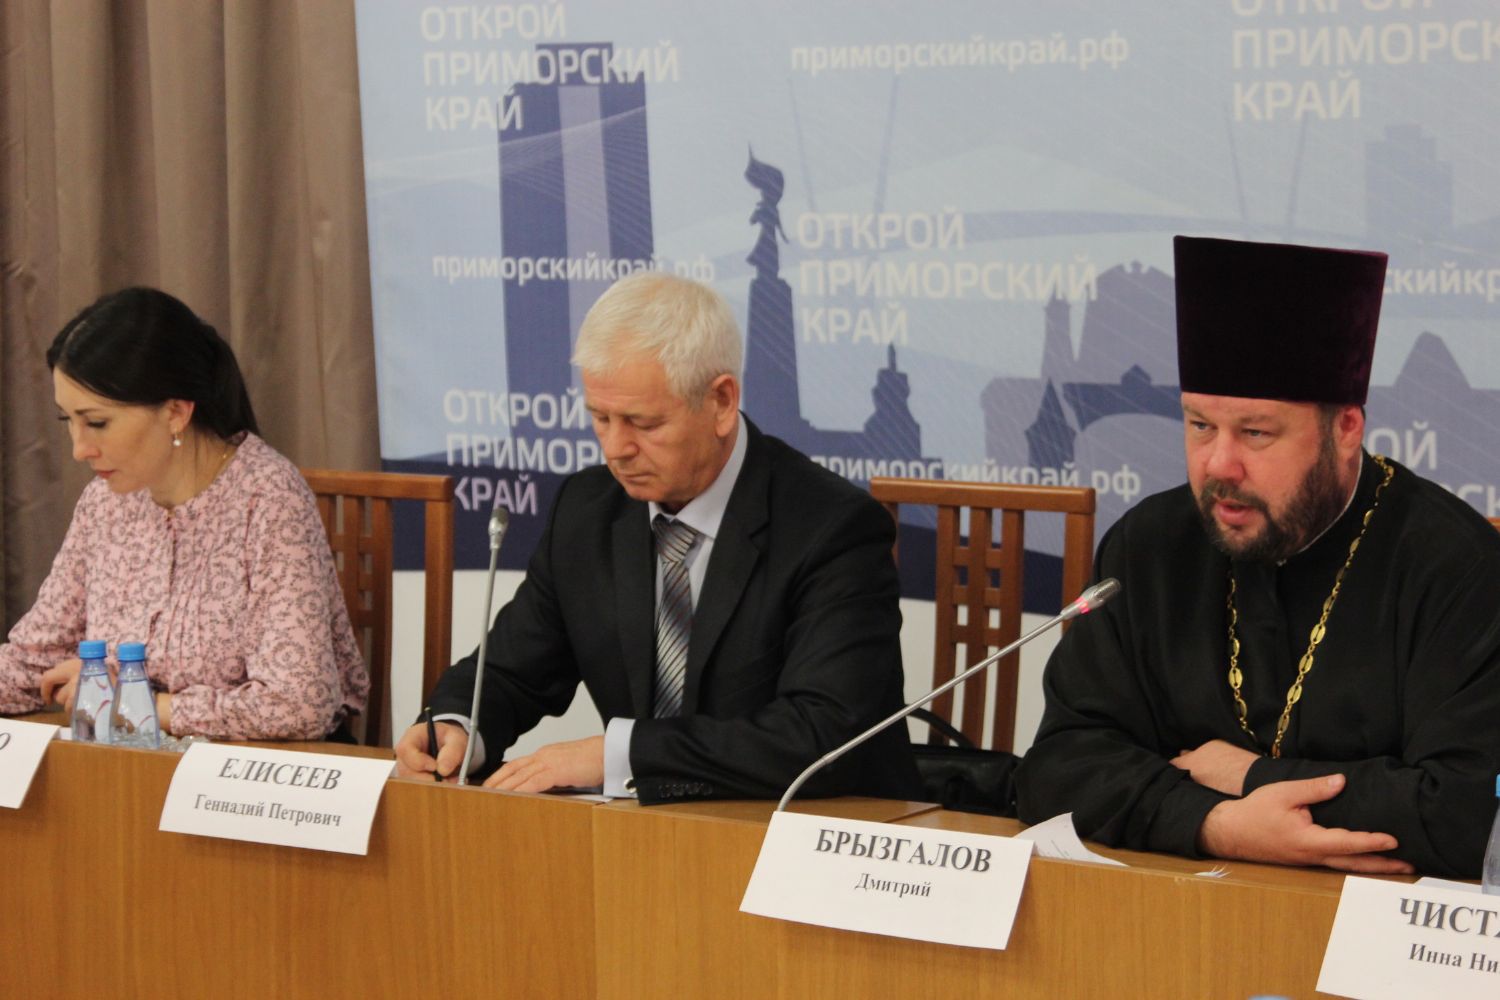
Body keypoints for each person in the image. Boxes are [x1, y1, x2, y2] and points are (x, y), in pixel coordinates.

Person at [1015, 236, 1500, 878]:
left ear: (1345, 429)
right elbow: (1058, 768)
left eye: (1255, 433)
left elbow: (1465, 812)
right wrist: (1218, 824)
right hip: (1173, 909)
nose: (1220, 465)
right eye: (1200, 426)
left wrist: (1250, 775)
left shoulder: (1457, 567)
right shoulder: (1147, 546)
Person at [394, 271, 920, 802]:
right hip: (648, 834)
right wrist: (458, 726)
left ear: (721, 402)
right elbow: (512, 671)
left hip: (801, 827)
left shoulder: (831, 527)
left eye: (642, 424)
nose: (615, 448)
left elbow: (821, 734)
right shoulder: (587, 510)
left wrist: (619, 754)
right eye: (600, 418)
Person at [0, 287, 368, 740]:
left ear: (175, 412)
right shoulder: (105, 501)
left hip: (242, 774)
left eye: (96, 422)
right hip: (130, 762)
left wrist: (139, 704)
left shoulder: (269, 498)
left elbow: (298, 705)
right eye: (67, 421)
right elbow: (31, 661)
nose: (79, 449)